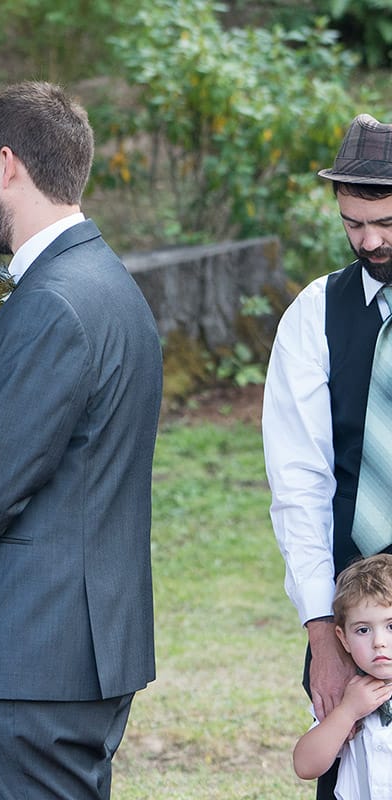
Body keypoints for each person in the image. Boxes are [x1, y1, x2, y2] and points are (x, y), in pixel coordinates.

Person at [0, 81, 163, 799]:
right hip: (80, 642)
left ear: (6, 165)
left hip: (32, 650)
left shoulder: (53, 301)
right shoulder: (104, 282)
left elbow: (1, 471)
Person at [263, 112, 392, 800]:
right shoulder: (315, 313)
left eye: (387, 223)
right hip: (358, 619)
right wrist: (324, 639)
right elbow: (299, 483)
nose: (369, 240)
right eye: (353, 223)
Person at [293, 554, 392, 798]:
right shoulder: (347, 696)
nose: (379, 642)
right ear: (343, 638)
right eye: (363, 630)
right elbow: (305, 766)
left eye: (391, 626)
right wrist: (347, 713)